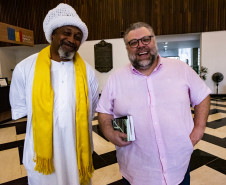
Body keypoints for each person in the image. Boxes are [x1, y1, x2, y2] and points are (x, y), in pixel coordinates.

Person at [96, 22, 211, 185]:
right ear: (127, 48)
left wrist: (198, 129)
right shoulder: (116, 78)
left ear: (154, 40)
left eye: (145, 39)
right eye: (133, 42)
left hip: (177, 166)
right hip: (137, 171)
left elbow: (202, 96)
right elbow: (103, 110)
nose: (140, 46)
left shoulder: (181, 69)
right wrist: (109, 132)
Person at [10, 3, 98, 185]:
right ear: (52, 34)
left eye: (77, 37)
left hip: (77, 154)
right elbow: (21, 108)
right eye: (66, 33)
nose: (72, 40)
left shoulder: (88, 72)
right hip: (42, 157)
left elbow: (92, 108)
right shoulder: (25, 68)